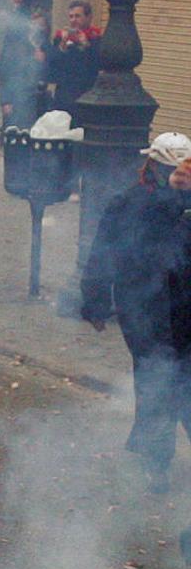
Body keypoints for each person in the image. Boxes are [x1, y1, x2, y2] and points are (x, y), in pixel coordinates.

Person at [81, 134, 191, 495]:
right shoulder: (130, 203)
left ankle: (153, 456)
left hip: (182, 307)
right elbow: (104, 254)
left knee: (179, 379)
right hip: (143, 307)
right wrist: (95, 301)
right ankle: (155, 463)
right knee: (159, 378)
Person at [0, 0, 44, 131]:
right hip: (13, 63)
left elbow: (16, 43)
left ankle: (12, 134)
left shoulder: (23, 17)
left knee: (14, 103)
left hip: (19, 65)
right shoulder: (20, 15)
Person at [46, 0, 101, 123]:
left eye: (77, 16)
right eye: (71, 16)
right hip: (64, 94)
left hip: (86, 92)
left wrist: (86, 44)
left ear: (88, 17)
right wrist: (63, 46)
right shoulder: (60, 37)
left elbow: (98, 63)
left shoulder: (96, 37)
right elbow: (52, 64)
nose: (73, 20)